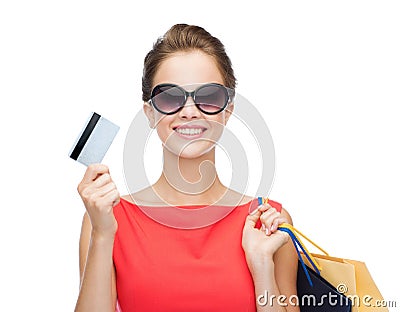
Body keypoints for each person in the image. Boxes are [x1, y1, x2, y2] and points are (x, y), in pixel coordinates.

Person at [74, 24, 299, 312]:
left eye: (208, 97)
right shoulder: (107, 219)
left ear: (227, 111)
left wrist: (262, 267)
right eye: (170, 97)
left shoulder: (269, 222)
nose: (190, 111)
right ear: (150, 113)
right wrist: (103, 234)